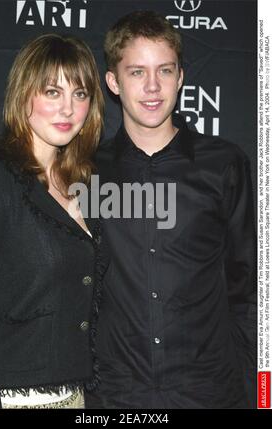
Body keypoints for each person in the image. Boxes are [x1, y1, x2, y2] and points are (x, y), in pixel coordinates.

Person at [85, 11, 256, 409]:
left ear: (180, 77)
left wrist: (253, 386)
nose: (152, 86)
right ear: (113, 81)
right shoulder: (86, 171)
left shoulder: (223, 164)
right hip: (113, 395)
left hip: (210, 392)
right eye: (136, 72)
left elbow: (247, 288)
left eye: (164, 70)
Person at [0, 33, 105, 409]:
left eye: (79, 94)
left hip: (76, 397)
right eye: (52, 92)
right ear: (24, 95)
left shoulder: (84, 185)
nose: (67, 109)